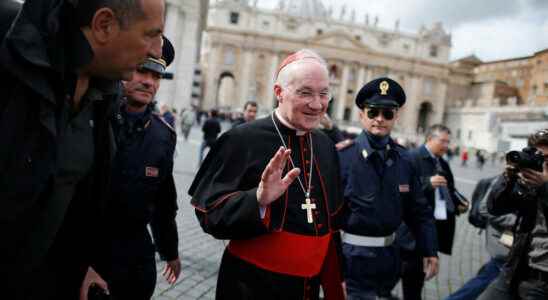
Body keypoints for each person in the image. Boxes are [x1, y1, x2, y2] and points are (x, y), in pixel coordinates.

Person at [0, 0, 164, 299]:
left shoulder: (105, 93)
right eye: (150, 34)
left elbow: (73, 199)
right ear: (104, 25)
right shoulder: (6, 48)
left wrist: (77, 265)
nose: (157, 51)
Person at [188, 49, 346, 299]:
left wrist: (337, 283)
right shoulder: (240, 140)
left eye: (324, 93)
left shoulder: (325, 146)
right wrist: (257, 200)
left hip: (308, 288)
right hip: (251, 285)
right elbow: (208, 213)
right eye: (305, 92)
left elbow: (332, 226)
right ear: (279, 93)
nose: (317, 104)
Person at [80, 37, 181, 300]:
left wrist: (169, 250)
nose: (149, 82)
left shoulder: (163, 134)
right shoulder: (91, 117)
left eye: (156, 76)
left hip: (136, 260)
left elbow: (163, 199)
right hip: (86, 252)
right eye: (141, 70)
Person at [337, 77, 438, 299]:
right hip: (351, 259)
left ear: (396, 117)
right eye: (373, 112)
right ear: (361, 115)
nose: (380, 119)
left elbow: (419, 212)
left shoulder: (406, 159)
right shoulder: (342, 158)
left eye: (387, 113)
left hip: (390, 258)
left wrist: (430, 250)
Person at [478, 129, 548, 300]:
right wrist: (508, 179)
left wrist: (545, 186)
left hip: (543, 278)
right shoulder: (530, 180)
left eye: (547, 158)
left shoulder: (541, 183)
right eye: (539, 156)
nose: (543, 163)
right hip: (517, 268)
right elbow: (494, 208)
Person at [405, 125, 469, 299]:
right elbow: (401, 189)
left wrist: (457, 204)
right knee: (407, 276)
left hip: (433, 228)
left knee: (416, 281)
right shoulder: (412, 157)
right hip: (412, 229)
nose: (446, 145)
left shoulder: (443, 162)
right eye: (442, 141)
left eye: (448, 142)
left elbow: (450, 189)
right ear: (429, 139)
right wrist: (427, 183)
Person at [445, 174, 515, 300]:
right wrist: (517, 220)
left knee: (488, 276)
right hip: (507, 246)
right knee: (486, 278)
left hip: (516, 249)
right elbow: (485, 209)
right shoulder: (506, 179)